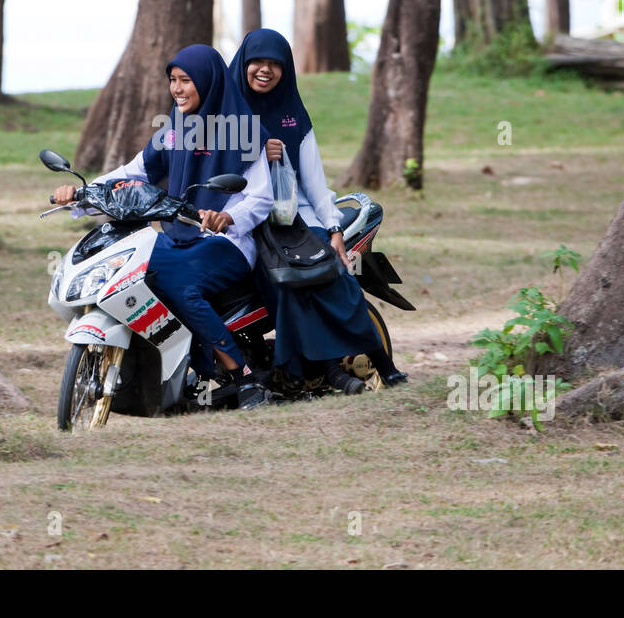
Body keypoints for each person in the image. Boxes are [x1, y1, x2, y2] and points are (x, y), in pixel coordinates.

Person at [52, 45, 274, 408]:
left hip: (228, 241)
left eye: (186, 81)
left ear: (208, 82)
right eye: (173, 80)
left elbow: (261, 197)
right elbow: (135, 172)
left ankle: (240, 372)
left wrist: (228, 216)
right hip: (178, 234)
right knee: (129, 273)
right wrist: (82, 193)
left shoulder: (245, 130)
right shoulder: (175, 128)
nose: (177, 89)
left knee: (179, 286)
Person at [228, 29, 408, 394]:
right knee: (286, 284)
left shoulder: (293, 114)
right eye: (257, 62)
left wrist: (333, 230)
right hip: (249, 217)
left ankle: (384, 365)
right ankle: (323, 372)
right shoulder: (227, 113)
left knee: (336, 278)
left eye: (275, 64)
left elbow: (313, 180)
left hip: (299, 214)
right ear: (243, 64)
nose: (265, 70)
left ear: (287, 70)